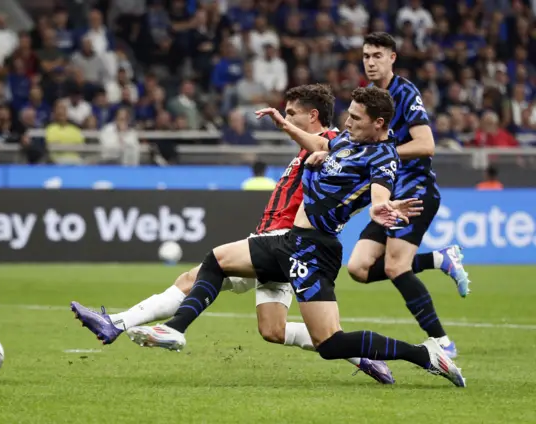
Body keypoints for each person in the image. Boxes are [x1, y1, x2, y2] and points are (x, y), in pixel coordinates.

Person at [123, 87, 466, 387]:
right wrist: (285, 125)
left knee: (331, 344)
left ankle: (424, 355)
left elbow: (380, 192)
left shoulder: (383, 156)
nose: (348, 123)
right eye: (349, 115)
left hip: (316, 249)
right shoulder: (349, 139)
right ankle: (175, 329)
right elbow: (319, 142)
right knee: (218, 259)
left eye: (357, 118)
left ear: (379, 123)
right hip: (290, 241)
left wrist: (380, 208)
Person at [71, 84, 396, 384]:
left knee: (195, 276)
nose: (285, 118)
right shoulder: (308, 147)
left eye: (292, 112)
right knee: (273, 330)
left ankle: (118, 323)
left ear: (312, 116)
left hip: (287, 240)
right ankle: (362, 355)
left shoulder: (335, 145)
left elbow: (356, 165)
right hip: (281, 242)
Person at [255, 32, 469, 359]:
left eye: (377, 56)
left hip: (412, 188)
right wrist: (334, 153)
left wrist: (380, 155)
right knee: (359, 269)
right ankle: (439, 259)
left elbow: (426, 145)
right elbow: (343, 143)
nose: (370, 62)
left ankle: (440, 342)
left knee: (397, 267)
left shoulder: (404, 93)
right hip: (384, 193)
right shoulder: (366, 95)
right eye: (366, 56)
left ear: (392, 58)